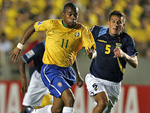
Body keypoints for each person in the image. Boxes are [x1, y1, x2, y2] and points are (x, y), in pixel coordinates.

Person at [10, 3, 96, 113]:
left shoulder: (82, 30)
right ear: (63, 14)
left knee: (56, 109)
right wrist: (19, 46)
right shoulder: (52, 24)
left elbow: (89, 52)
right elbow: (33, 27)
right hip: (51, 69)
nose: (73, 17)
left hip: (66, 71)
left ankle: (32, 112)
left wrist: (90, 55)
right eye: (70, 14)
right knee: (69, 99)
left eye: (75, 15)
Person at [85, 11, 138, 113]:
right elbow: (91, 50)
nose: (116, 25)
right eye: (113, 21)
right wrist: (90, 54)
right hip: (95, 78)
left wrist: (124, 55)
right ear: (108, 23)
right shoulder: (97, 31)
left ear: (123, 25)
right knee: (102, 102)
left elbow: (135, 63)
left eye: (119, 22)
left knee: (103, 108)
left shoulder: (127, 40)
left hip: (114, 85)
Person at [19, 41, 53, 113]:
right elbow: (22, 61)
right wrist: (23, 78)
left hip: (54, 78)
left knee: (63, 104)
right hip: (39, 79)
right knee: (25, 107)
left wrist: (77, 75)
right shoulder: (40, 47)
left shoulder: (62, 45)